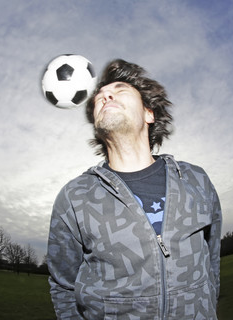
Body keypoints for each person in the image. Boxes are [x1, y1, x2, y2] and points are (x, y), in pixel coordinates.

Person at [47, 59, 222, 319]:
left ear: (149, 113)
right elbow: (63, 286)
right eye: (99, 98)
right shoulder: (75, 197)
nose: (105, 94)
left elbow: (212, 266)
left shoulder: (195, 179)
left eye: (120, 89)